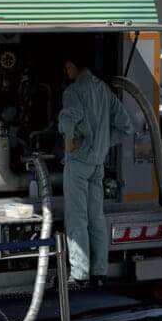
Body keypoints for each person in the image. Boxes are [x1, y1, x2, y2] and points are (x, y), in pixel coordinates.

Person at [58, 58, 132, 287]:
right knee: (96, 218)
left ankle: (79, 274)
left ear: (71, 64)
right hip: (98, 164)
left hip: (79, 163)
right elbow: (125, 124)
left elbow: (69, 119)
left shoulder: (74, 91)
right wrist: (104, 144)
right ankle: (100, 271)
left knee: (77, 217)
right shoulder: (104, 89)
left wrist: (69, 139)